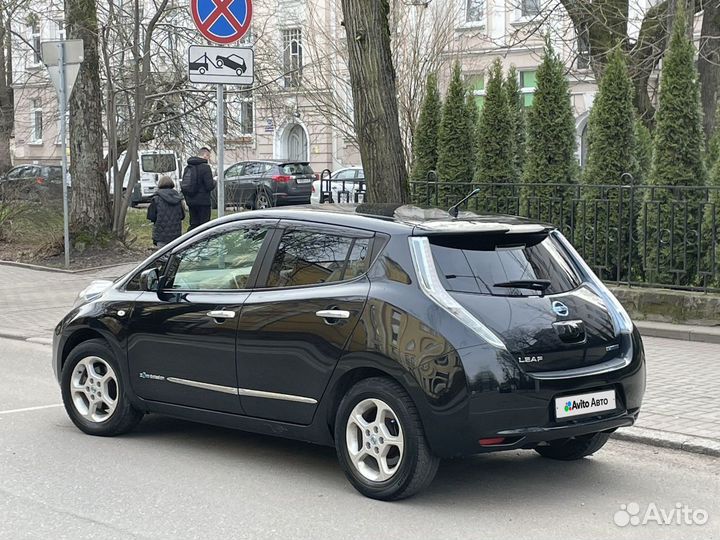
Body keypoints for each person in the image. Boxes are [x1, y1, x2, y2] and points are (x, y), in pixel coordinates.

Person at [181, 147, 216, 230]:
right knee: (204, 226)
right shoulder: (205, 167)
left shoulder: (188, 167)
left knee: (193, 223)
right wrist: (214, 182)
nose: (209, 158)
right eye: (208, 156)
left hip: (191, 201)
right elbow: (209, 186)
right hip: (203, 202)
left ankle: (191, 240)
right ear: (205, 155)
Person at [147, 176, 185, 248]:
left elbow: (151, 216)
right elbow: (182, 216)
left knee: (162, 255)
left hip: (161, 234)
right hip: (176, 234)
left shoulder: (156, 199)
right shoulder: (177, 198)